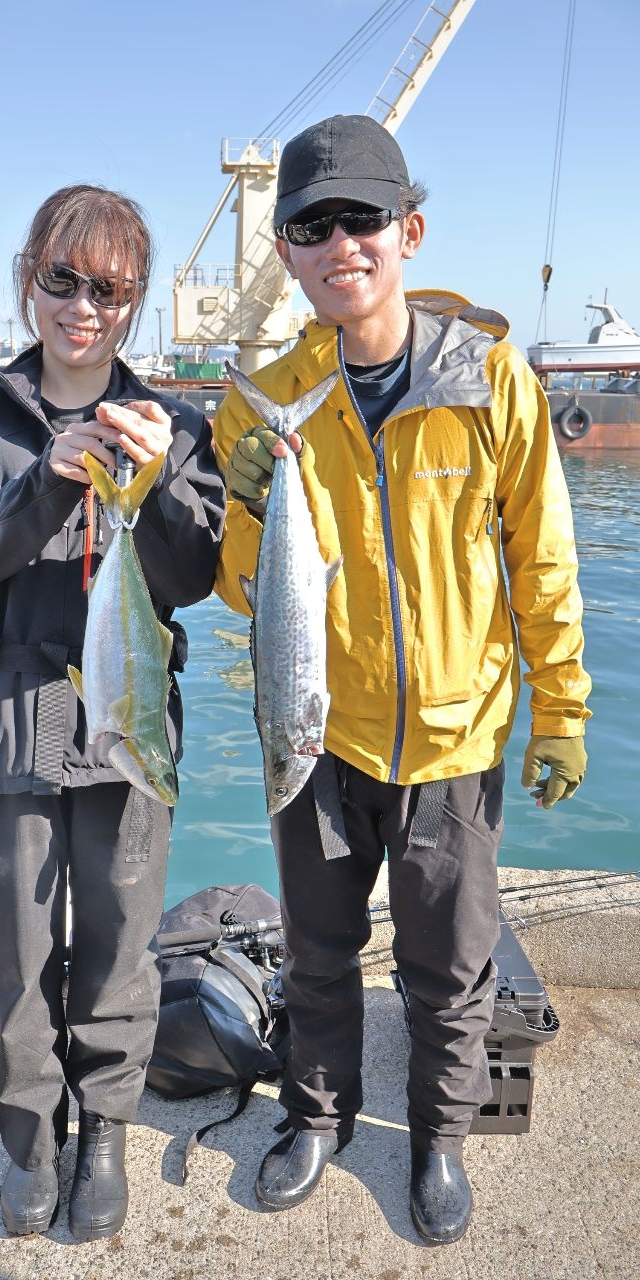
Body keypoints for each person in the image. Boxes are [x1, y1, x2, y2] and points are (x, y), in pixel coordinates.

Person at [213, 115, 590, 1244]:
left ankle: (436, 1137)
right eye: (311, 225)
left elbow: (544, 558)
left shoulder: (490, 381)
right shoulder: (263, 396)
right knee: (319, 950)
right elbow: (244, 593)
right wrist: (244, 497)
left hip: (454, 739)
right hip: (318, 735)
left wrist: (560, 709)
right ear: (285, 250)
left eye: (362, 218)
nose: (341, 243)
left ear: (407, 230)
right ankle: (319, 1116)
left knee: (449, 965)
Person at [0, 184, 226, 1242]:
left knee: (120, 953)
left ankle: (104, 1131)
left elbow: (188, 576)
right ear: (28, 278)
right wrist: (47, 479)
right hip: (6, 726)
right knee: (15, 951)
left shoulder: (174, 420)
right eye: (62, 279)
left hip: (127, 729)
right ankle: (29, 1139)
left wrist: (160, 484)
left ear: (133, 302)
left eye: (110, 288)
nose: (82, 305)